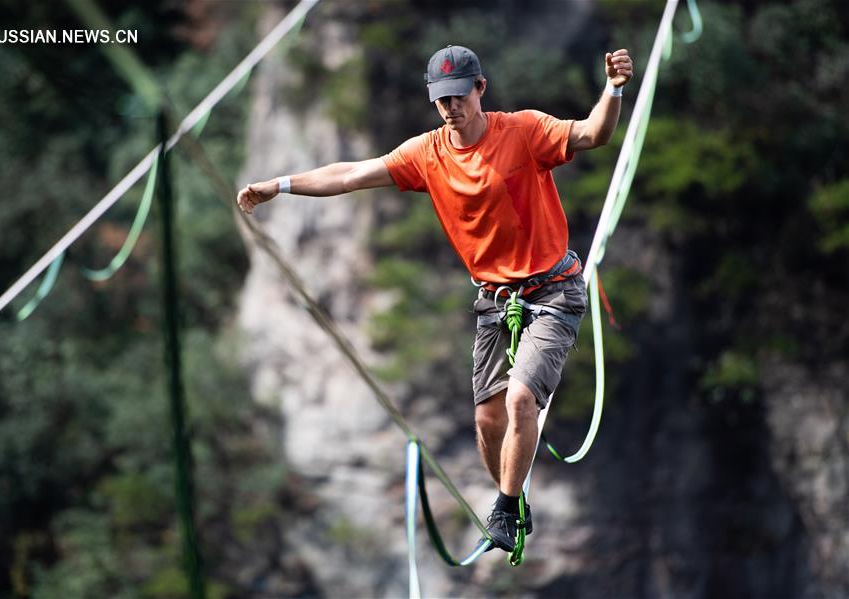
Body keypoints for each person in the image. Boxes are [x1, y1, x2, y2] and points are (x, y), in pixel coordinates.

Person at [237, 44, 633, 553]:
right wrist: (280, 185)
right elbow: (352, 174)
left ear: (480, 89)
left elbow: (592, 133)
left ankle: (507, 508)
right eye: (441, 99)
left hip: (553, 289)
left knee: (519, 399)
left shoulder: (525, 131)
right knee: (488, 421)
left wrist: (614, 88)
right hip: (494, 301)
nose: (451, 108)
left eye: (459, 96)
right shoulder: (427, 154)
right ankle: (509, 498)